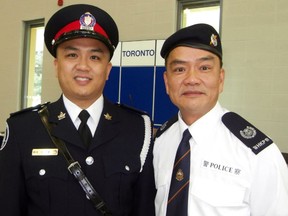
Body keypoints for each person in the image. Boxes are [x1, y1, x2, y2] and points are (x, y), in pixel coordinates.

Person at [0, 4, 155, 216]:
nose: (83, 66)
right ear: (56, 66)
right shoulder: (23, 129)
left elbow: (144, 208)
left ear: (108, 70)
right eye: (72, 55)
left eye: (94, 57)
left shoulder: (137, 128)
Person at [153, 23, 288, 216]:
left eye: (204, 68)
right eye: (180, 69)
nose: (192, 79)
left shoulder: (259, 156)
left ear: (221, 79)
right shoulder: (161, 142)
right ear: (167, 82)